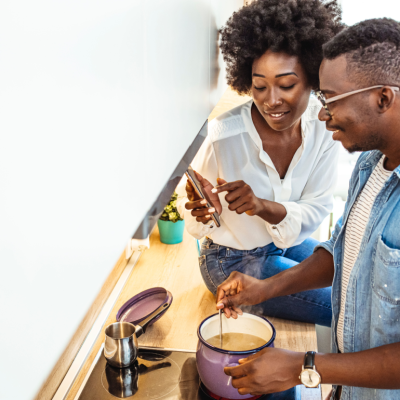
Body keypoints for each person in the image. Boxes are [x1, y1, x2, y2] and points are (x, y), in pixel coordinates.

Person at [216, 18, 400, 400]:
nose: (321, 113)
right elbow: (342, 252)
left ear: (383, 98)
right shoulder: (370, 166)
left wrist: (304, 367)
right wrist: (265, 288)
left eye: (331, 99)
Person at [176, 0, 342, 327]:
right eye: (259, 85)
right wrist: (202, 209)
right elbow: (195, 218)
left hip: (283, 244)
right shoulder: (223, 135)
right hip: (228, 260)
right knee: (343, 307)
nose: (271, 100)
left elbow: (318, 207)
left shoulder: (324, 128)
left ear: (312, 76)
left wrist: (261, 206)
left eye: (287, 85)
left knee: (351, 276)